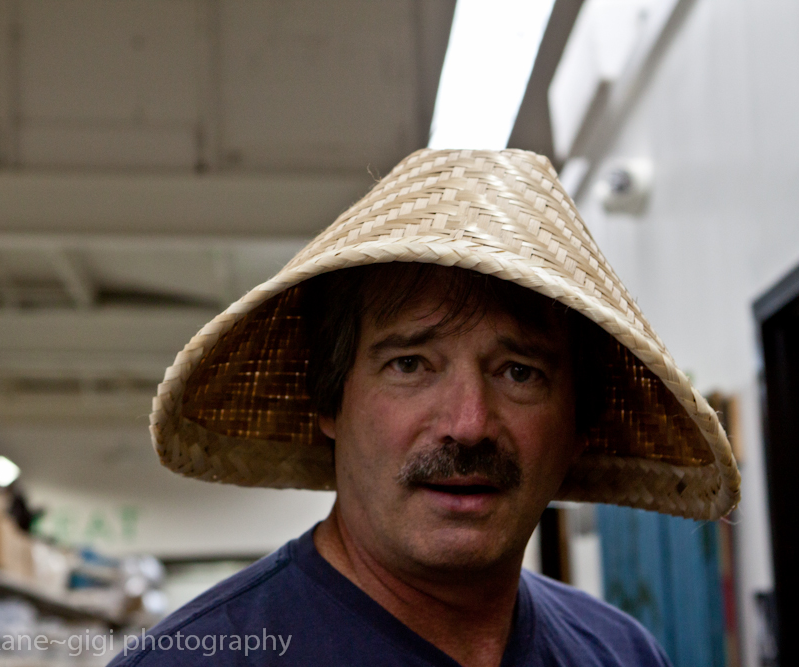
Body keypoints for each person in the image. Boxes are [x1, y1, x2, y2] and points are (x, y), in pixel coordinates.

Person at [111, 149, 740, 666]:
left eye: (519, 372)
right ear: (329, 401)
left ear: (579, 425)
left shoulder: (621, 654)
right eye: (409, 365)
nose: (469, 425)